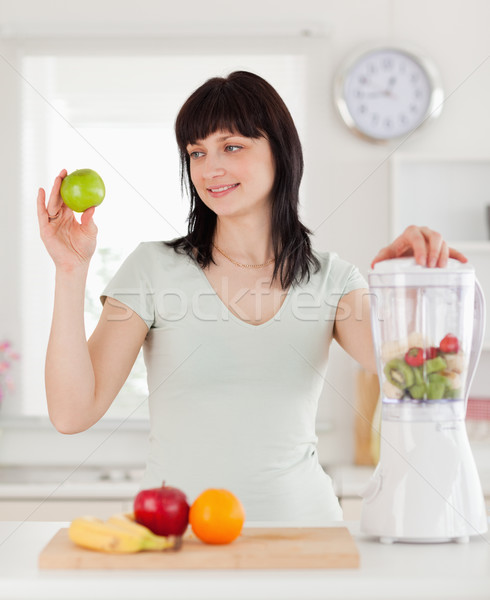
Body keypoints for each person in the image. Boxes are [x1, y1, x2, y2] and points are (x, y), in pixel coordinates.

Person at [37, 71, 467, 524]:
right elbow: (71, 413)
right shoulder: (151, 269)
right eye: (197, 153)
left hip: (306, 535)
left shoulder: (332, 279)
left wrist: (405, 281)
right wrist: (70, 271)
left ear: (280, 152)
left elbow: (410, 375)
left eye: (232, 146)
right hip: (179, 537)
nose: (209, 168)